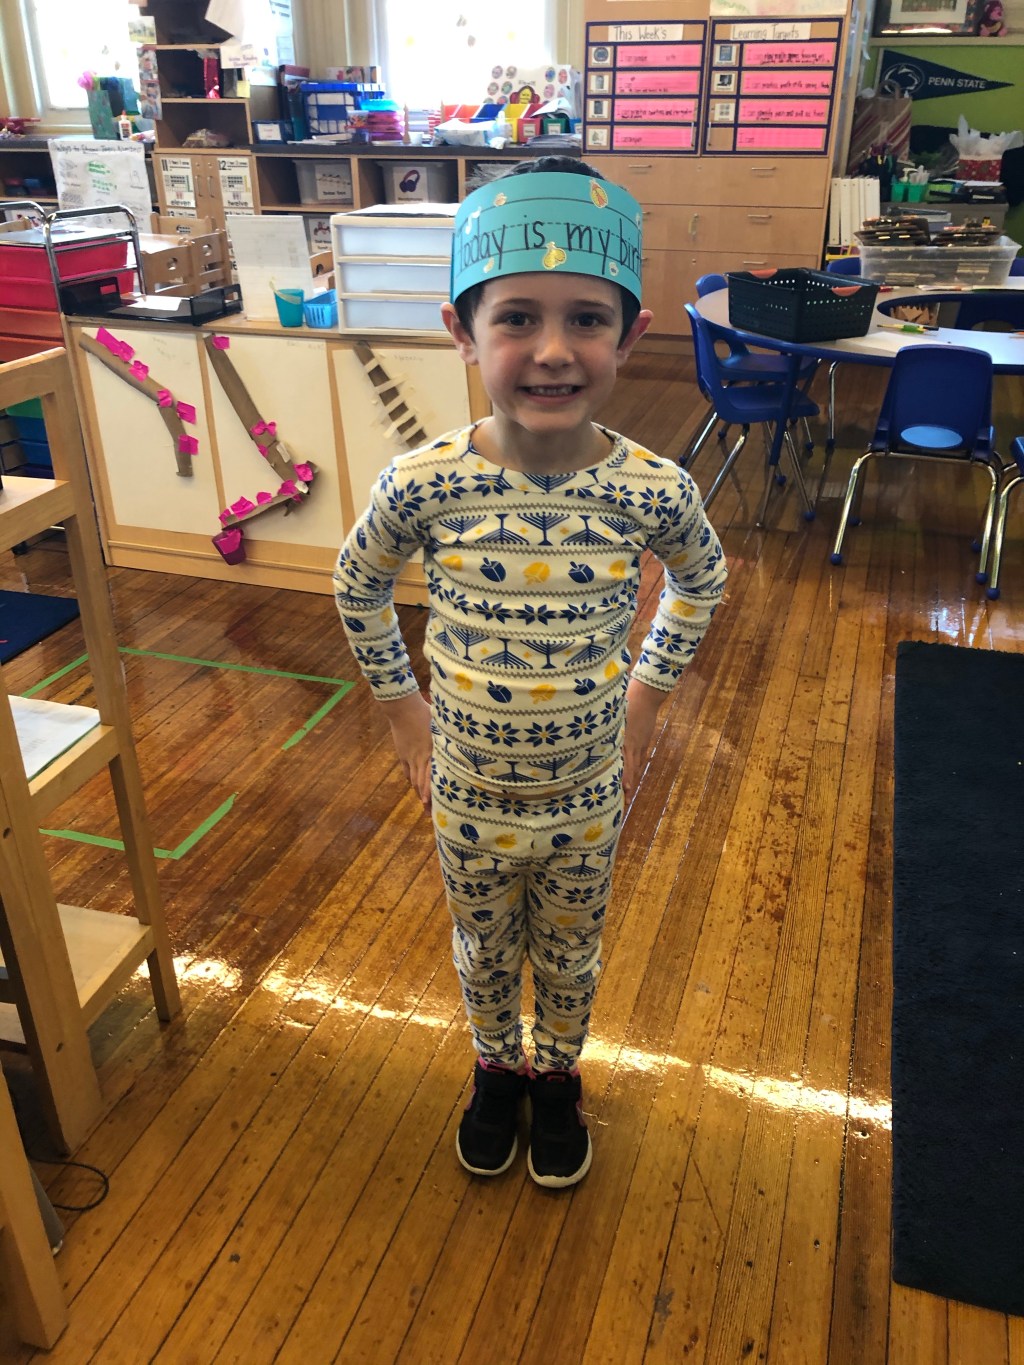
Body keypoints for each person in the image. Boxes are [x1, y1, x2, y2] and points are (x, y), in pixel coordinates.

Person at [334, 156, 727, 1188]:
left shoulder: (653, 488)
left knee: (569, 950)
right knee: (481, 947)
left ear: (630, 335)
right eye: (515, 318)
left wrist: (646, 700)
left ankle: (555, 1075)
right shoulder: (424, 482)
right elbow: (357, 584)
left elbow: (702, 581)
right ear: (462, 332)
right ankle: (494, 1066)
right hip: (465, 791)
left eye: (586, 320)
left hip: (587, 795)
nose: (552, 350)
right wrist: (403, 715)